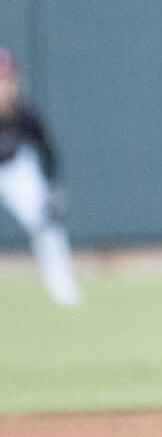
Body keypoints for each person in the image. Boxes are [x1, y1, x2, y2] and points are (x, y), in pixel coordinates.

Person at [0, 48, 83, 308]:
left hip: (15, 170)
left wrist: (51, 186)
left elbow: (47, 148)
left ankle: (63, 288)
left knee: (47, 222)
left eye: (6, 79)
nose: (3, 86)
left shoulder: (24, 112)